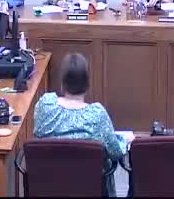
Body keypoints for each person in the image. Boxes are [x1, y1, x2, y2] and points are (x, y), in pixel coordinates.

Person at [33, 53, 133, 197]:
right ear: (87, 84)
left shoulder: (45, 105)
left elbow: (37, 133)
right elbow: (115, 153)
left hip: (50, 188)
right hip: (89, 190)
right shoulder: (97, 115)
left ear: (62, 83)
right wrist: (124, 140)